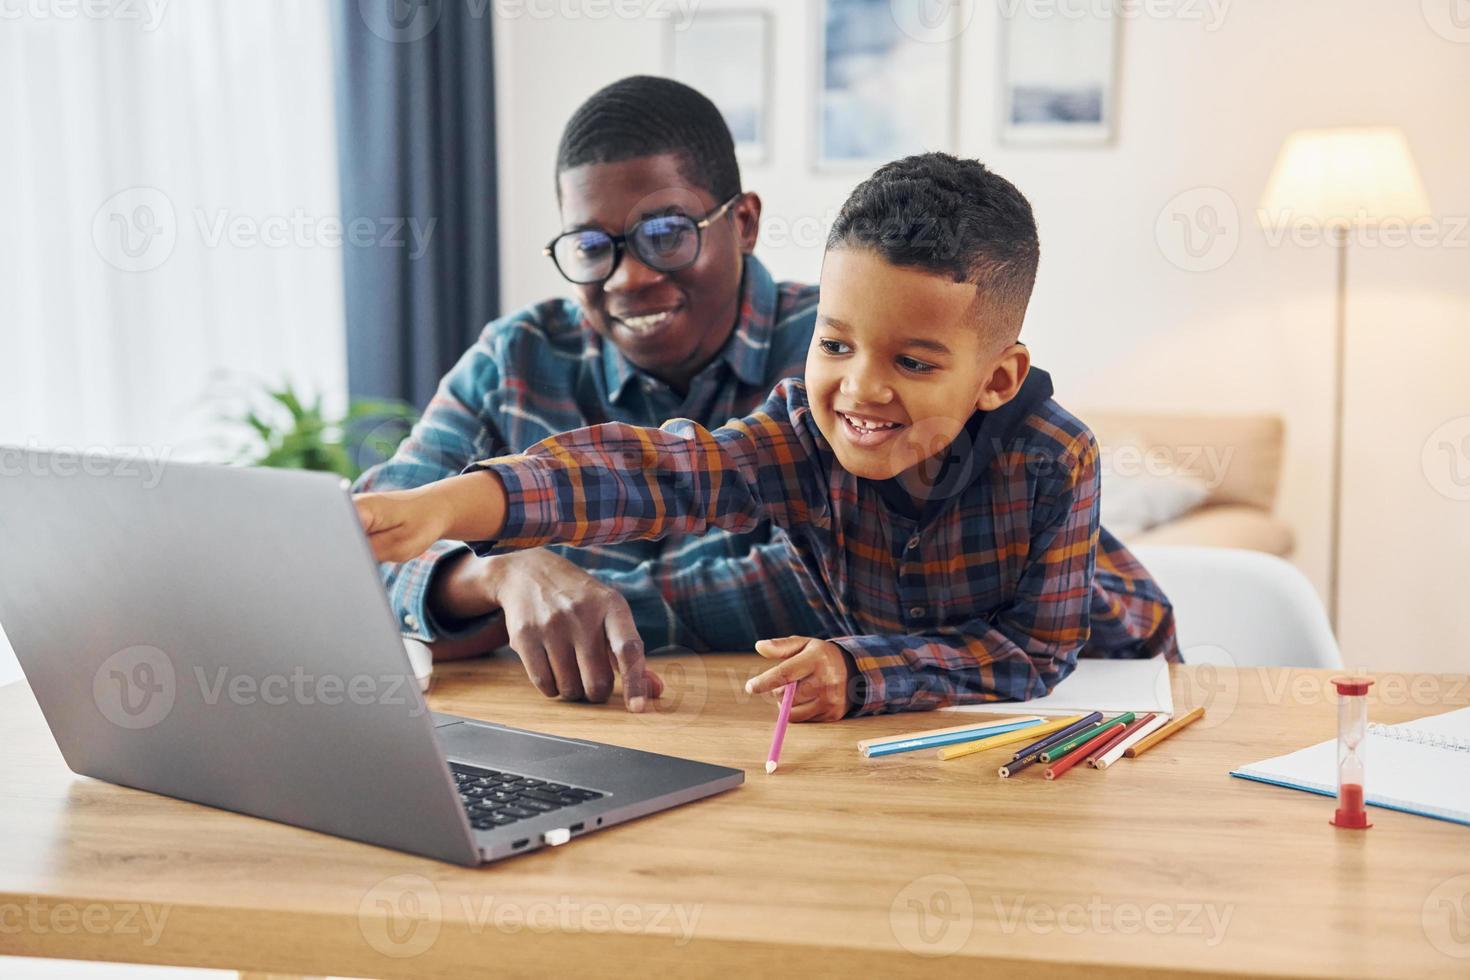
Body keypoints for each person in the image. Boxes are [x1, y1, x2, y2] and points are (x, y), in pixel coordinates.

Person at [354, 151, 1180, 721]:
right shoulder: (801, 438)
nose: (861, 389)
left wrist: (860, 671)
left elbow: (1031, 655)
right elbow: (659, 472)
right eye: (836, 344)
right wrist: (461, 502)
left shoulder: (1051, 458)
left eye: (916, 362)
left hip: (1113, 684)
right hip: (940, 711)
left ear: (996, 380)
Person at [354, 76, 830, 711]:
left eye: (666, 234)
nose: (628, 279)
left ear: (742, 223)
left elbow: (827, 582)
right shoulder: (518, 356)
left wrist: (578, 605)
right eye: (590, 247)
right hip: (555, 730)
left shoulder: (840, 355)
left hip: (787, 736)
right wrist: (500, 576)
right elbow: (368, 540)